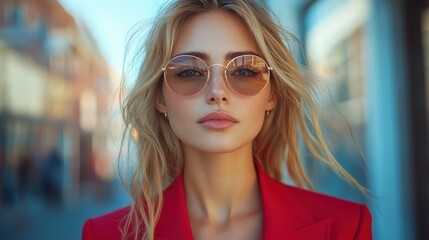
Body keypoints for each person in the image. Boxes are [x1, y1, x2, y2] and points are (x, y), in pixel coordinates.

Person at [82, 0, 372, 239]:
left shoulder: (345, 227)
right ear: (160, 97)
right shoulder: (105, 234)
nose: (217, 93)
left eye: (245, 71)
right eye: (189, 72)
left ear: (272, 94)